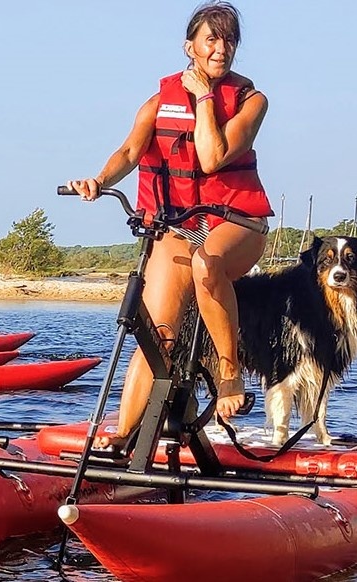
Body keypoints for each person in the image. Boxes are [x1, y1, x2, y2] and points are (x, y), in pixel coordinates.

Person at [67, 1, 273, 451]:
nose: (222, 48)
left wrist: (202, 97)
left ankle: (229, 373)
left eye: (230, 40)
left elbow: (213, 157)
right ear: (190, 46)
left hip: (235, 222)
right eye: (211, 39)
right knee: (154, 332)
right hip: (177, 225)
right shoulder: (159, 102)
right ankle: (123, 436)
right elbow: (128, 153)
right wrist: (98, 180)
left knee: (207, 263)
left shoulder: (252, 102)